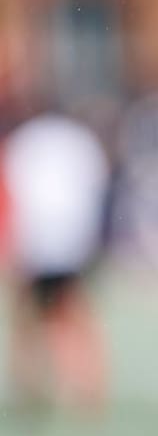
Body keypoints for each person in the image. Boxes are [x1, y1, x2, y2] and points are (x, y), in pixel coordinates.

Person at [2, 112, 110, 415]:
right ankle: (86, 388)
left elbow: (12, 193)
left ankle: (33, 386)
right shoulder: (81, 139)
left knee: (28, 317)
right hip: (72, 240)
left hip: (36, 240)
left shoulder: (24, 140)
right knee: (73, 315)